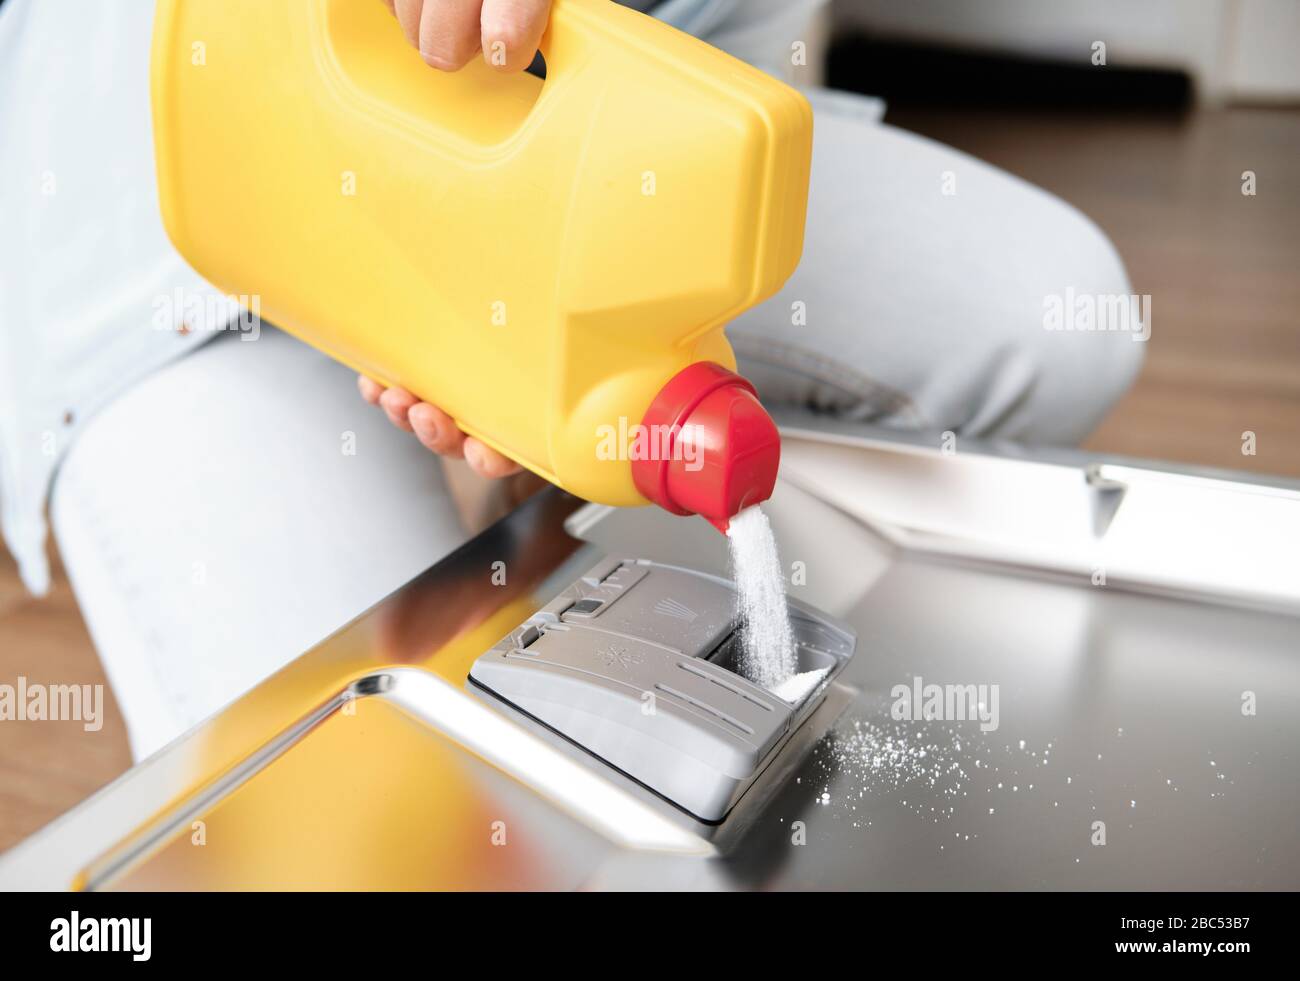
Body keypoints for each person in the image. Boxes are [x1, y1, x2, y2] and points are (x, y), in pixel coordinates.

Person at [1, 0, 1142, 760]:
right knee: (368, 784)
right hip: (194, 211)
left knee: (1054, 317)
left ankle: (571, 555)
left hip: (608, 136)